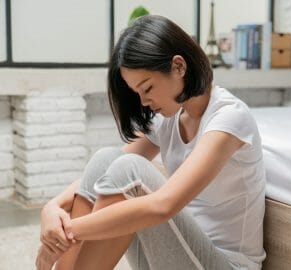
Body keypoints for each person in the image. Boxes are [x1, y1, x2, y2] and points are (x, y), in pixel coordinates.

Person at [35, 15, 266, 270]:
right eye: (138, 93)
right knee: (107, 158)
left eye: (147, 88)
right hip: (177, 252)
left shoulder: (230, 117)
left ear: (179, 67)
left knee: (129, 169)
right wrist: (52, 206)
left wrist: (67, 234)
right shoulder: (170, 117)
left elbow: (163, 205)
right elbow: (103, 173)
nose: (144, 102)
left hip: (225, 264)